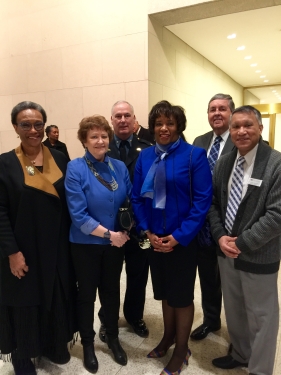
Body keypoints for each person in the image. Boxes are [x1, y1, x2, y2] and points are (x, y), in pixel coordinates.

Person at [131, 100, 213, 375]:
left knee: (182, 296)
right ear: (152, 127)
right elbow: (137, 197)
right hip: (154, 238)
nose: (163, 128)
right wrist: (147, 231)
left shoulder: (194, 156)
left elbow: (202, 201)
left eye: (169, 122)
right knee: (164, 292)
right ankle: (167, 337)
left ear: (178, 125)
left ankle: (181, 349)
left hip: (182, 240)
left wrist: (179, 237)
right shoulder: (145, 156)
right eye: (158, 123)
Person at [0, 101, 77, 375]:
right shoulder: (5, 163)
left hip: (56, 246)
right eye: (25, 124)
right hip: (24, 248)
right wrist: (11, 252)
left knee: (55, 296)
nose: (33, 130)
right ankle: (23, 356)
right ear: (15, 127)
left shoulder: (59, 158)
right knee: (25, 302)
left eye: (38, 124)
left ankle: (52, 345)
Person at [209, 105, 281, 374]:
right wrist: (220, 237)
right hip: (226, 253)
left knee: (263, 317)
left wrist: (241, 242)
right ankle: (240, 353)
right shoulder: (224, 163)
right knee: (235, 310)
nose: (241, 131)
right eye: (236, 126)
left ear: (260, 128)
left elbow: (277, 215)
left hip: (258, 254)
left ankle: (260, 369)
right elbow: (213, 204)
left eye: (247, 125)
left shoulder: (276, 163)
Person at [65, 115, 131, 373]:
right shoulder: (76, 168)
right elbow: (78, 215)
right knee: (87, 296)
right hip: (85, 244)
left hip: (115, 244)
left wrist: (127, 229)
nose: (100, 140)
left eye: (104, 136)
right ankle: (89, 345)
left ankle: (113, 338)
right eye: (93, 136)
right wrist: (109, 235)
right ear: (84, 140)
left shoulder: (119, 167)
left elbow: (129, 199)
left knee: (112, 292)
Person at [98, 101, 151, 342]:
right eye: (117, 116)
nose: (122, 120)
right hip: (109, 228)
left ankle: (134, 316)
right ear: (111, 120)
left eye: (126, 115)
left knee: (138, 275)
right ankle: (107, 320)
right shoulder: (100, 148)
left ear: (134, 119)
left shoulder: (148, 149)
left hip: (140, 227)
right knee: (108, 278)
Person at [191, 93, 235, 340]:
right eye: (212, 109)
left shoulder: (239, 140)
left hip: (229, 222)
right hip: (201, 221)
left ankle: (237, 331)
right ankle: (211, 320)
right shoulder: (200, 140)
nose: (216, 113)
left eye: (222, 109)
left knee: (231, 280)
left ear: (231, 113)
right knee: (207, 274)